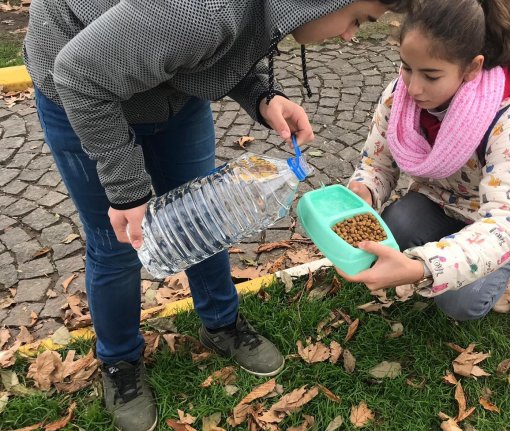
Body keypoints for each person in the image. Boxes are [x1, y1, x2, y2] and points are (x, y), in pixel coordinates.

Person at [23, 0, 411, 429]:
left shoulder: (238, 14)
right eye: (357, 19)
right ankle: (120, 361)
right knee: (116, 241)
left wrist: (263, 95)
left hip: (169, 90)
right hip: (83, 91)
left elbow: (225, 45)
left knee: (203, 219)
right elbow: (81, 74)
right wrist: (126, 189)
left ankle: (222, 324)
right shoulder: (202, 9)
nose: (351, 34)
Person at [341, 0, 510, 321]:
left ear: (472, 68)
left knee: (460, 303)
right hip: (444, 199)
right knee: (394, 229)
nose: (413, 88)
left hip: (506, 218)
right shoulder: (398, 97)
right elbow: (377, 164)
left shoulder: (507, 118)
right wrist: (364, 191)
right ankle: (453, 247)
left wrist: (422, 268)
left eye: (431, 76)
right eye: (406, 67)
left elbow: (506, 221)